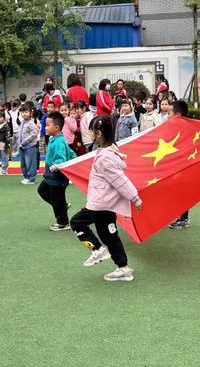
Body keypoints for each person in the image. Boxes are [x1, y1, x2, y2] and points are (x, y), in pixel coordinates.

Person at [70, 116, 142, 282]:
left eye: (92, 133)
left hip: (100, 203)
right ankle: (123, 268)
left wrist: (134, 198)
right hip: (108, 203)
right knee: (110, 235)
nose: (90, 136)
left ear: (99, 134)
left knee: (76, 222)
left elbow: (120, 180)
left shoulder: (105, 159)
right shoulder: (111, 150)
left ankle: (97, 249)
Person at [38, 112, 76, 231]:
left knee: (57, 198)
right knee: (42, 190)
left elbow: (61, 159)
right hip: (51, 176)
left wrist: (57, 165)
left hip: (57, 178)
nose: (45, 127)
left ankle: (63, 222)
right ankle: (62, 206)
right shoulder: (56, 139)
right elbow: (70, 152)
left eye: (48, 125)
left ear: (57, 128)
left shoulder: (59, 142)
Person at [169, 101, 192, 229]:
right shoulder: (172, 127)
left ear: (177, 115)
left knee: (182, 192)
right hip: (174, 166)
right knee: (175, 192)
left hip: (183, 166)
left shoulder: (186, 128)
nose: (168, 116)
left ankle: (184, 218)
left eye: (170, 113)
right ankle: (180, 216)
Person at [18, 105, 38, 185]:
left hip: (30, 146)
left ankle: (31, 178)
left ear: (30, 113)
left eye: (26, 112)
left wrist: (25, 142)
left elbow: (34, 134)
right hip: (22, 146)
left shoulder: (31, 123)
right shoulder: (22, 122)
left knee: (30, 163)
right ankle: (26, 177)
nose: (24, 114)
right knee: (23, 163)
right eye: (22, 112)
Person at [0, 111, 11, 175]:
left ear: (4, 118)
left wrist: (7, 144)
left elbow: (8, 136)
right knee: (1, 157)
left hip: (4, 144)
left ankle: (4, 169)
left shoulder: (6, 126)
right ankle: (4, 168)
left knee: (4, 157)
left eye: (0, 117)